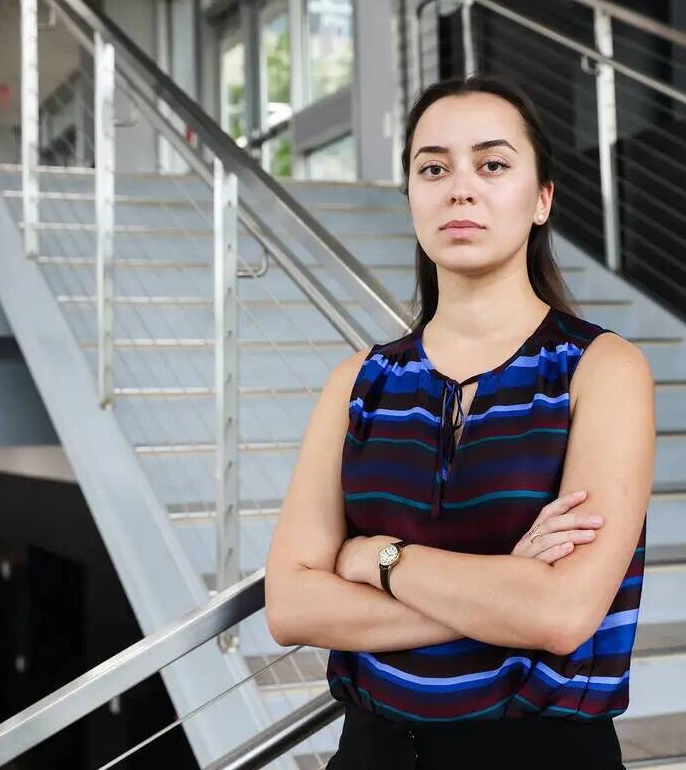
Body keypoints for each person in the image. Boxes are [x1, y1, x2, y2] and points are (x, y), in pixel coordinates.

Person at [264, 73, 655, 768]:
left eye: (493, 164)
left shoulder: (601, 370)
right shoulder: (360, 382)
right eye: (433, 167)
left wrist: (373, 560)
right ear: (412, 194)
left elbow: (560, 615)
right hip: (374, 753)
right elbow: (292, 605)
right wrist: (504, 584)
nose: (460, 188)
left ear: (541, 200)